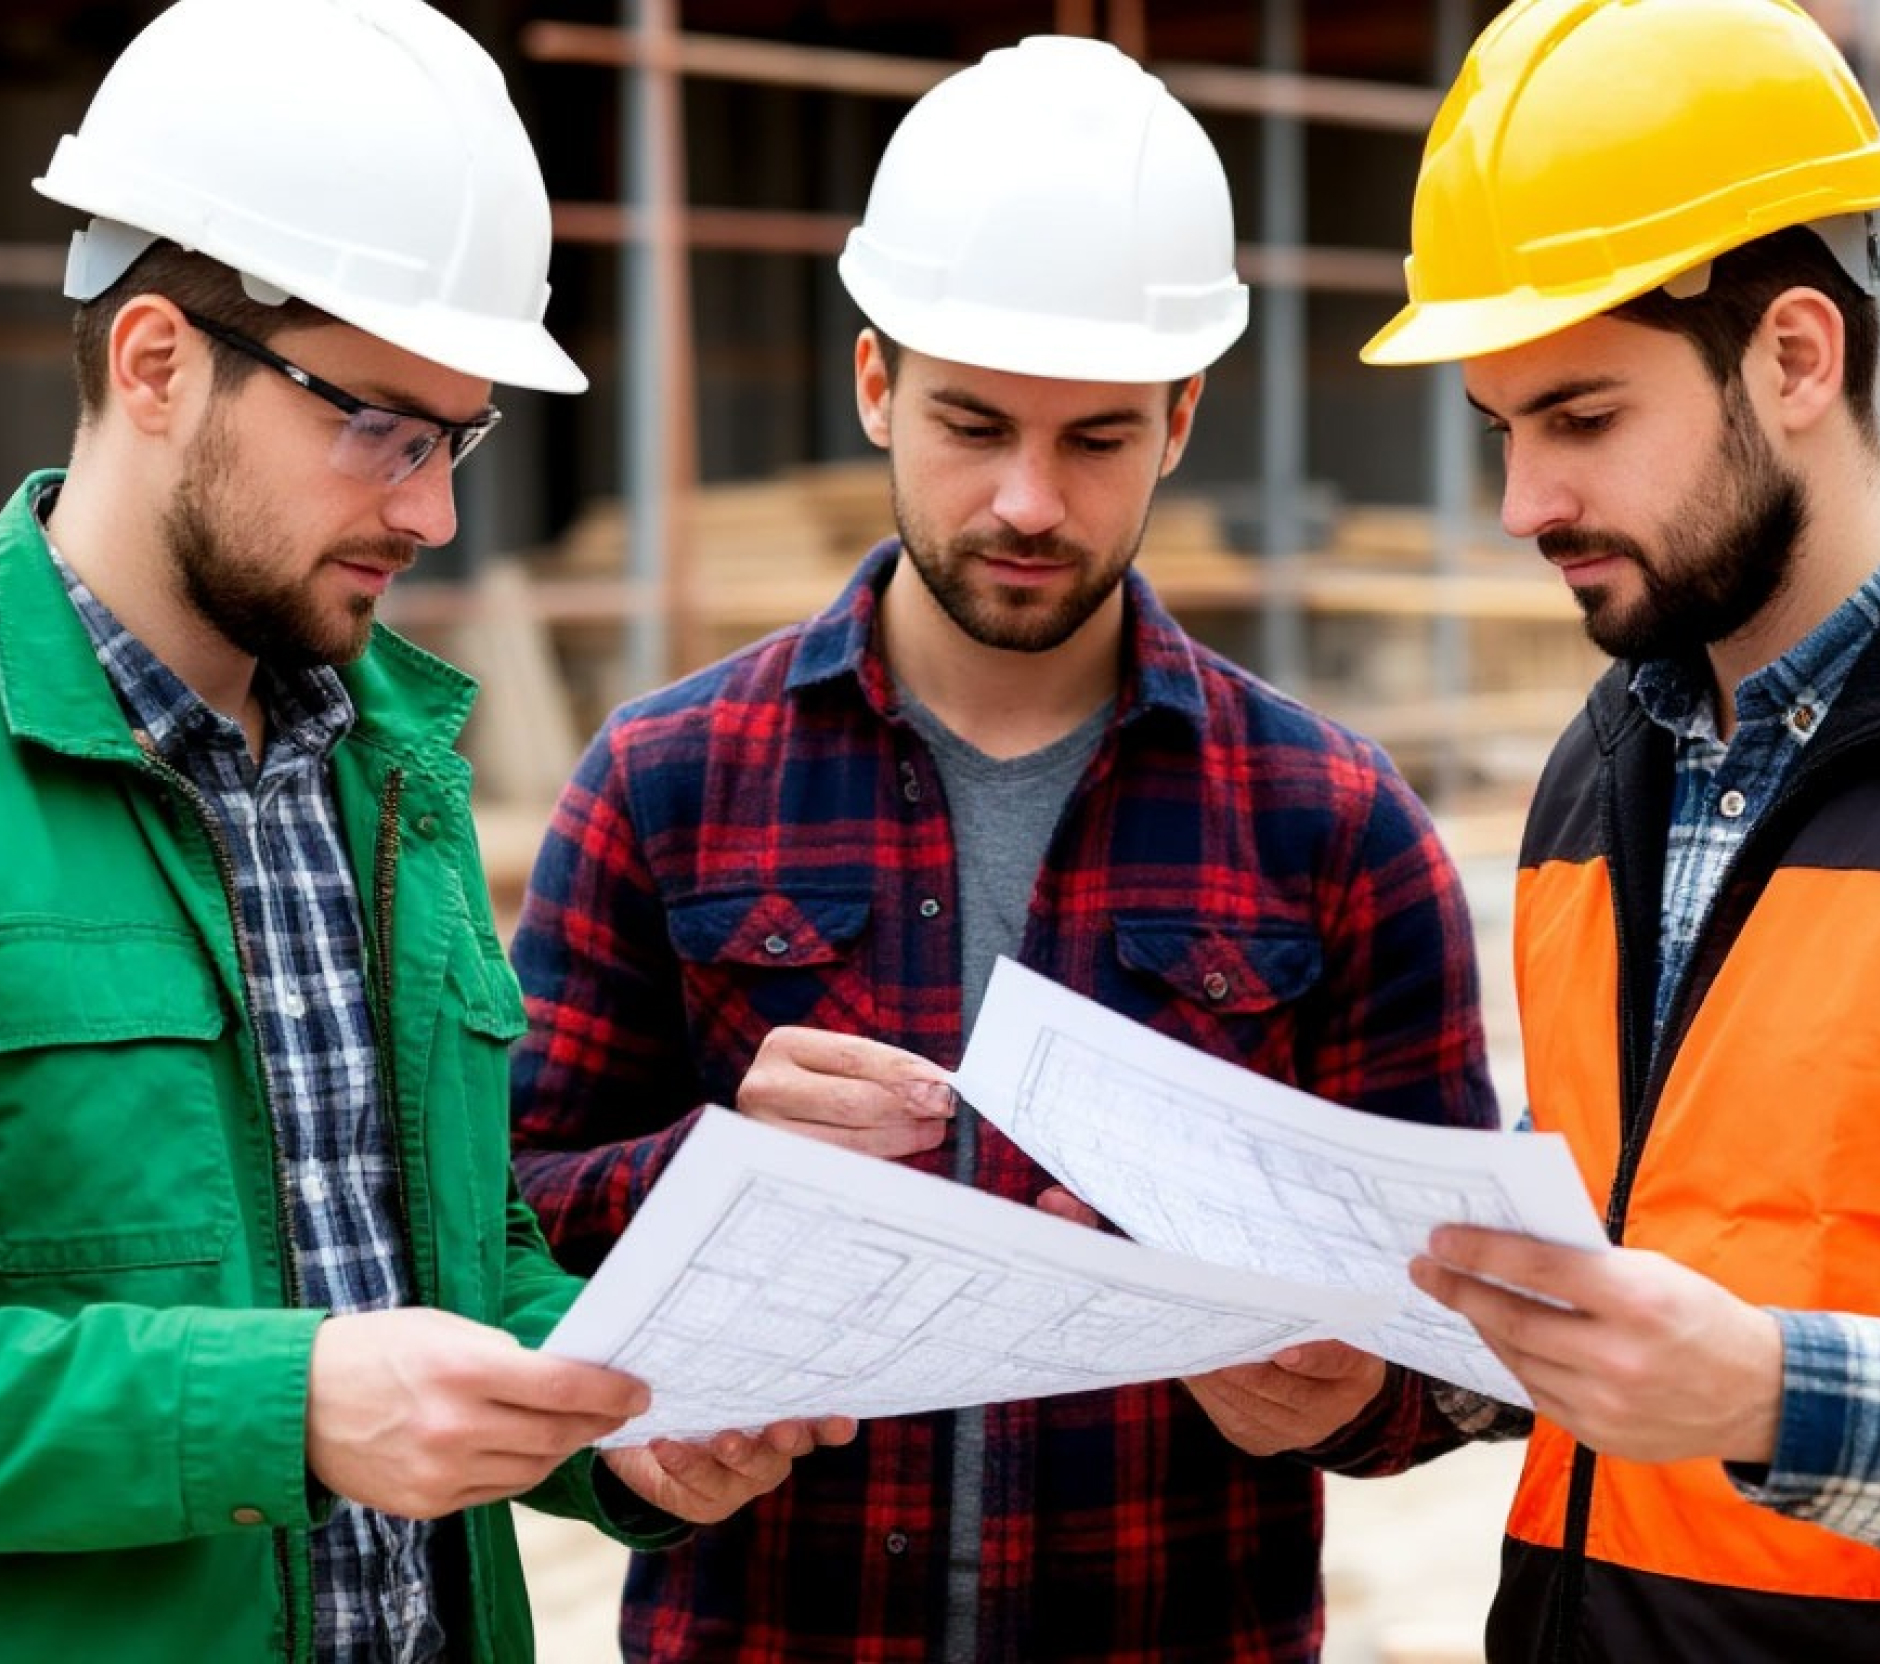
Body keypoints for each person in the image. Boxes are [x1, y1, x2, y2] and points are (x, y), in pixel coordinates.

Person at [509, 32, 1499, 1663]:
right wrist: (714, 1173)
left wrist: (1354, 1395)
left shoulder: (1336, 823)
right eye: (974, 425)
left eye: (1097, 440)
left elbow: (1459, 1331)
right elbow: (504, 1224)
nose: (1029, 503)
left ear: (1183, 418)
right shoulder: (666, 781)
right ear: (875, 383)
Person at [0, 2, 853, 1660]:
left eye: (457, 439)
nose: (434, 512)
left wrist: (628, 1421)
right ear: (156, 361)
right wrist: (287, 1405)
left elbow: (458, 1258)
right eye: (380, 430)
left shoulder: (395, 770)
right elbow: (338, 1385)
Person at [1356, 0, 1880, 1657]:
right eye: (1503, 430)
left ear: (1792, 359)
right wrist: (1369, 1378)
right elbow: (1623, 1311)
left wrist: (1779, 1398)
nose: (1522, 505)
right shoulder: (1604, 761)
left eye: (1581, 419)